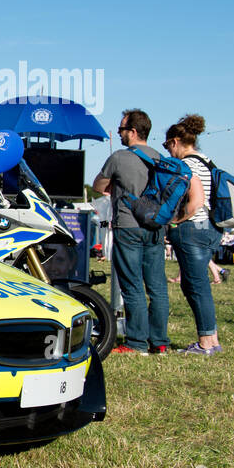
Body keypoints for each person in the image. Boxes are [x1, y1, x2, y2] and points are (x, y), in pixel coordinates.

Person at [92, 110, 169, 355]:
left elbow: (98, 186)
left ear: (133, 132)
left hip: (128, 225)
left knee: (132, 285)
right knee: (157, 287)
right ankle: (159, 342)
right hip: (155, 227)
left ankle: (136, 342)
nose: (119, 133)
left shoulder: (119, 158)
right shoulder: (160, 158)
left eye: (122, 129)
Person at [163, 115, 223, 355]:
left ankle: (206, 342)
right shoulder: (206, 161)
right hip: (209, 228)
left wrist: (176, 220)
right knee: (196, 285)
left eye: (167, 145)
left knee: (196, 287)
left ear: (176, 141)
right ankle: (212, 338)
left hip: (193, 230)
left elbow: (196, 201)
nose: (167, 150)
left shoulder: (187, 165)